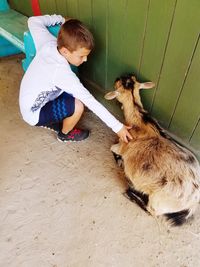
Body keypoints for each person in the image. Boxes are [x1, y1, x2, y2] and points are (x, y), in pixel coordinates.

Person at [19, 14, 132, 143]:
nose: (85, 59)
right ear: (65, 51)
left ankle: (58, 119)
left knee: (74, 94)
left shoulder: (48, 43)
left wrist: (61, 20)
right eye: (81, 56)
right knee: (78, 105)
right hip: (34, 113)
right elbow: (90, 101)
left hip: (31, 100)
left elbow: (33, 21)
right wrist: (118, 127)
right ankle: (64, 134)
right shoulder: (61, 73)